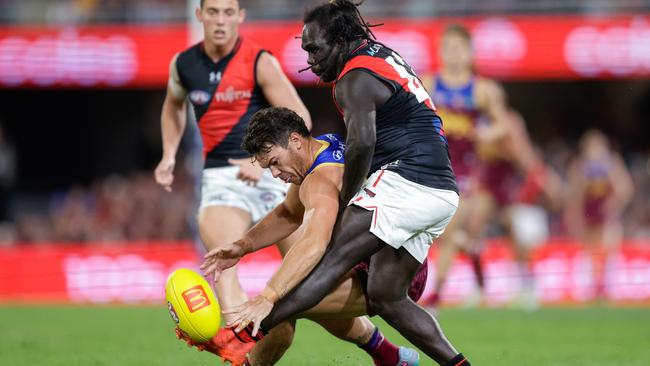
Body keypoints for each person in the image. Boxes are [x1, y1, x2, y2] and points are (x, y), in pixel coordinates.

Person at [202, 2, 471, 365]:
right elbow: (287, 212)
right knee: (386, 298)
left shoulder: (352, 80)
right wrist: (244, 245)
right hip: (437, 190)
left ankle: (245, 336)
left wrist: (349, 200)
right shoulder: (375, 60)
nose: (310, 59)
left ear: (341, 39)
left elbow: (362, 143)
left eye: (315, 48)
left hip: (409, 181)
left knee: (310, 274)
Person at [184, 106, 422, 366]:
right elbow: (288, 213)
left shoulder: (320, 180)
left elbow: (313, 243)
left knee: (283, 305)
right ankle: (390, 356)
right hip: (383, 260)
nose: (275, 174)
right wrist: (243, 246)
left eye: (274, 162)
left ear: (295, 140)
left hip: (389, 275)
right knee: (298, 294)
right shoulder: (324, 146)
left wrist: (267, 297)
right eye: (268, 168)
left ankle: (241, 356)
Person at [153, 0, 314, 364]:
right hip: (220, 178)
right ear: (200, 16)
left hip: (273, 177)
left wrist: (261, 160)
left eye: (229, 12)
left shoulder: (259, 61)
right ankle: (240, 349)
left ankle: (376, 344)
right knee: (223, 260)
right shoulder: (183, 65)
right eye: (213, 12)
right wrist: (168, 154)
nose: (221, 20)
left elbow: (300, 119)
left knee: (313, 278)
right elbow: (172, 107)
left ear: (240, 17)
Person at [421, 23, 510, 308]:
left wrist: (487, 133)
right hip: (433, 165)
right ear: (440, 52)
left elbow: (503, 124)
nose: (453, 54)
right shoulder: (428, 84)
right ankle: (471, 249)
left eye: (459, 49)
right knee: (436, 231)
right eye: (447, 48)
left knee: (448, 228)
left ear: (470, 53)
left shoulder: (482, 89)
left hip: (466, 171)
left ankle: (435, 293)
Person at [565, 129, 634, 299]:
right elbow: (575, 195)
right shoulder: (579, 165)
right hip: (589, 215)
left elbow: (625, 189)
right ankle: (591, 288)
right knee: (590, 251)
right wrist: (574, 217)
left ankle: (611, 288)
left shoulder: (612, 163)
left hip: (607, 215)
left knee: (610, 247)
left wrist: (613, 205)